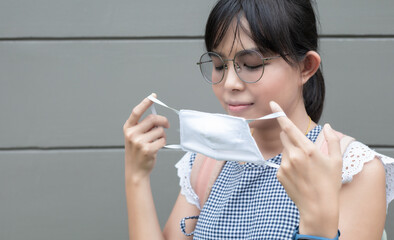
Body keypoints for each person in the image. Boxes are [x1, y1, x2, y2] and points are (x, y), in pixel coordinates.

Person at [123, 0, 393, 239]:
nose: (229, 83)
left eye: (251, 64)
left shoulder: (352, 169)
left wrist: (317, 220)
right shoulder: (207, 161)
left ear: (306, 67)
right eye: (219, 65)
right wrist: (136, 176)